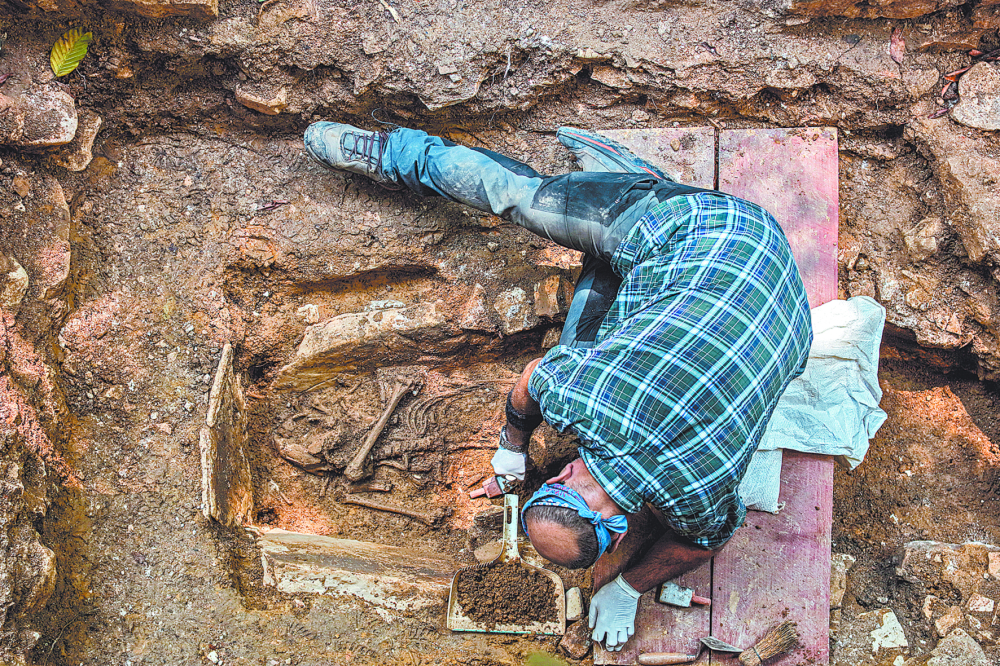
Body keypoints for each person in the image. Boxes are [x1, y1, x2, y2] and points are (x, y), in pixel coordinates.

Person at [303, 121, 813, 651]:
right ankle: (617, 191)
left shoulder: (697, 493)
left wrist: (628, 585)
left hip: (779, 303)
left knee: (550, 249)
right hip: (722, 244)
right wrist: (512, 447)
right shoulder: (582, 399)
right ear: (565, 473)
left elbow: (706, 541)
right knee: (533, 215)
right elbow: (532, 380)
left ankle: (610, 191)